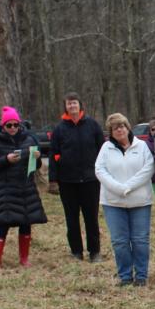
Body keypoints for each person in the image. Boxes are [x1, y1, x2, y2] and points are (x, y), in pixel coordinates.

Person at [95, 113, 155, 287]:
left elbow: (148, 168)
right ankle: (125, 276)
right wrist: (118, 188)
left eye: (122, 126)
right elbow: (100, 170)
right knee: (120, 241)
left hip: (140, 201)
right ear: (111, 132)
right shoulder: (106, 148)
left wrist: (129, 186)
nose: (120, 130)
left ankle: (141, 275)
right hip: (113, 202)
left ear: (128, 128)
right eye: (115, 128)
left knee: (140, 239)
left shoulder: (141, 146)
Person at [0, 106, 47, 269]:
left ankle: (24, 259)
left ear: (20, 124)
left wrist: (38, 158)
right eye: (9, 125)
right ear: (2, 126)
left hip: (26, 187)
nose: (12, 128)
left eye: (15, 125)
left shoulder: (30, 139)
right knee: (2, 224)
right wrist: (6, 160)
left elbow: (36, 166)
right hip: (6, 189)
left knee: (26, 223)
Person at [49, 92, 105, 262]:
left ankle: (94, 252)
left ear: (80, 105)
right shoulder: (59, 129)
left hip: (90, 180)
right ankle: (76, 252)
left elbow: (103, 151)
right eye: (69, 104)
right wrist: (53, 179)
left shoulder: (93, 125)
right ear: (65, 107)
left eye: (74, 103)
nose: (72, 106)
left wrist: (103, 174)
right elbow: (53, 154)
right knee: (71, 219)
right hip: (67, 182)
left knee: (91, 218)